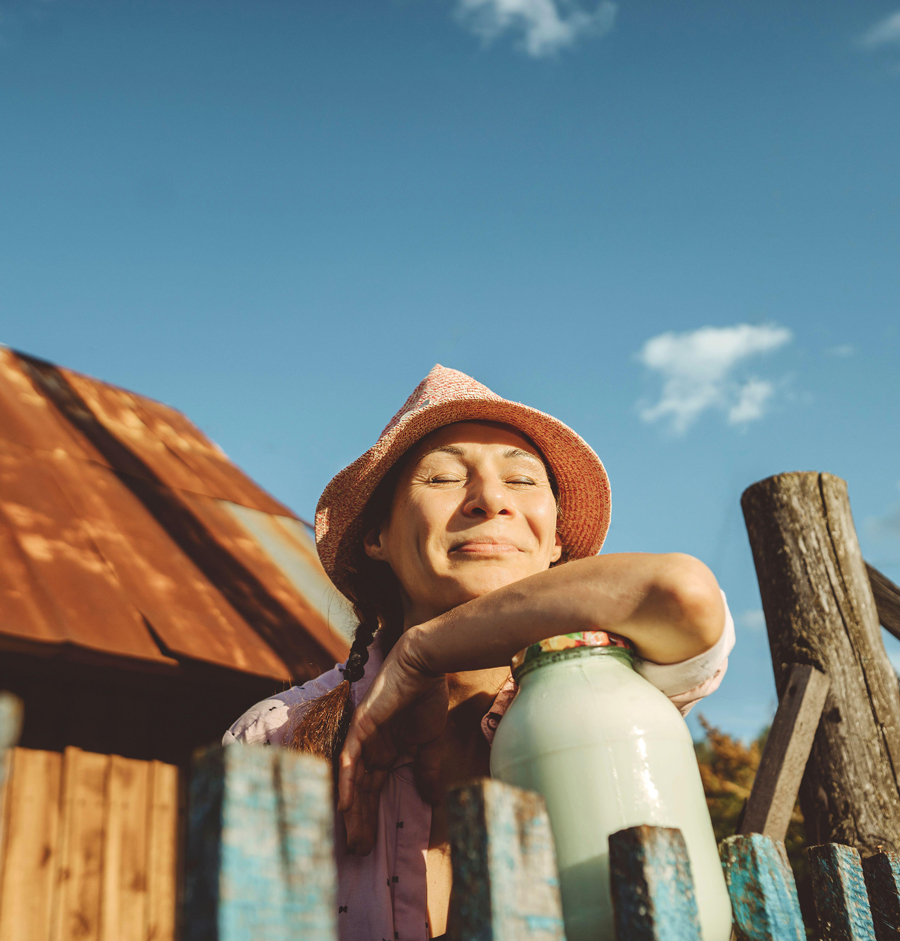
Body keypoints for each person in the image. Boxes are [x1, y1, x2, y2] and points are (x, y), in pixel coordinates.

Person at [224, 364, 736, 941]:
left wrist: (423, 652)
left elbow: (680, 592)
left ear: (557, 541)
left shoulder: (615, 688)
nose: (490, 500)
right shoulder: (276, 735)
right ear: (377, 538)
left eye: (522, 482)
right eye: (442, 479)